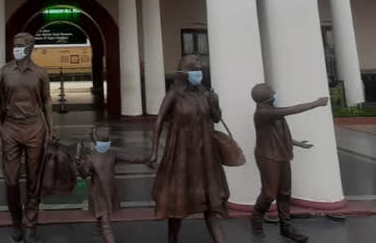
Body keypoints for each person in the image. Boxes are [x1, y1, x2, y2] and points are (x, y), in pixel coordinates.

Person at [148, 54, 229, 243]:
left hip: (205, 154)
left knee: (210, 201)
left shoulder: (204, 92)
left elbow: (216, 118)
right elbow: (159, 120)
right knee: (177, 201)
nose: (198, 73)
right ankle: (172, 239)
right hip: (181, 153)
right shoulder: (174, 94)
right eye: (194, 70)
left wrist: (215, 103)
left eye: (200, 70)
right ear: (184, 73)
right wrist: (153, 151)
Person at [249, 83, 329, 243]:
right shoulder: (263, 112)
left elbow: (278, 135)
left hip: (282, 155)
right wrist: (316, 103)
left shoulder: (272, 113)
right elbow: (291, 110)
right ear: (265, 97)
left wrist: (298, 143)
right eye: (272, 92)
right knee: (269, 194)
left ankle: (286, 228)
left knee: (285, 193)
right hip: (268, 157)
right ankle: (256, 218)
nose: (275, 93)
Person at [0, 32, 54, 243]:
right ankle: (16, 222)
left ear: (30, 47)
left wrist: (51, 129)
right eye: (14, 44)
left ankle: (30, 226)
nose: (16, 48)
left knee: (33, 180)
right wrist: (0, 128)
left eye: (20, 45)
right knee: (11, 180)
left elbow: (47, 101)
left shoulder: (40, 73)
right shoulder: (4, 72)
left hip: (35, 128)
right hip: (11, 127)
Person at [75, 125, 150, 243]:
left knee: (102, 217)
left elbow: (84, 175)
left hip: (100, 192)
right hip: (103, 192)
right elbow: (132, 158)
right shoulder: (109, 154)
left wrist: (79, 163)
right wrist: (147, 158)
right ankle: (102, 235)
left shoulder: (93, 157)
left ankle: (102, 235)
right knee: (103, 218)